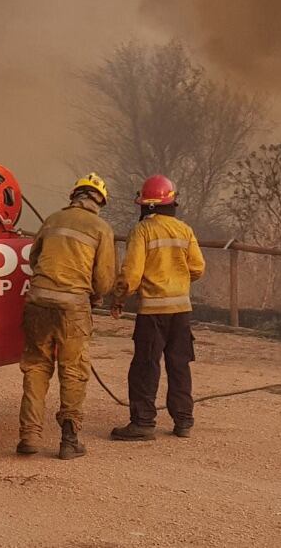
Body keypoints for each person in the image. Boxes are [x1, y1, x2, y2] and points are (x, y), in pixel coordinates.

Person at [18, 172, 117, 459]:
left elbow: (33, 258)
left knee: (36, 367)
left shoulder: (52, 220)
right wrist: (95, 295)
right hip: (73, 309)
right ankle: (69, 440)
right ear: (100, 201)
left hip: (38, 303)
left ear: (74, 196)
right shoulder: (101, 228)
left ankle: (29, 436)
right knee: (73, 370)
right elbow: (104, 279)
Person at [110, 175, 205, 441]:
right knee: (179, 365)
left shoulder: (142, 231)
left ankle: (142, 423)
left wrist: (119, 298)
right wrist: (178, 282)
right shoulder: (184, 230)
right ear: (171, 202)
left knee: (145, 366)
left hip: (152, 313)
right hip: (181, 311)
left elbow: (131, 275)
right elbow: (198, 267)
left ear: (145, 204)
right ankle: (183, 421)